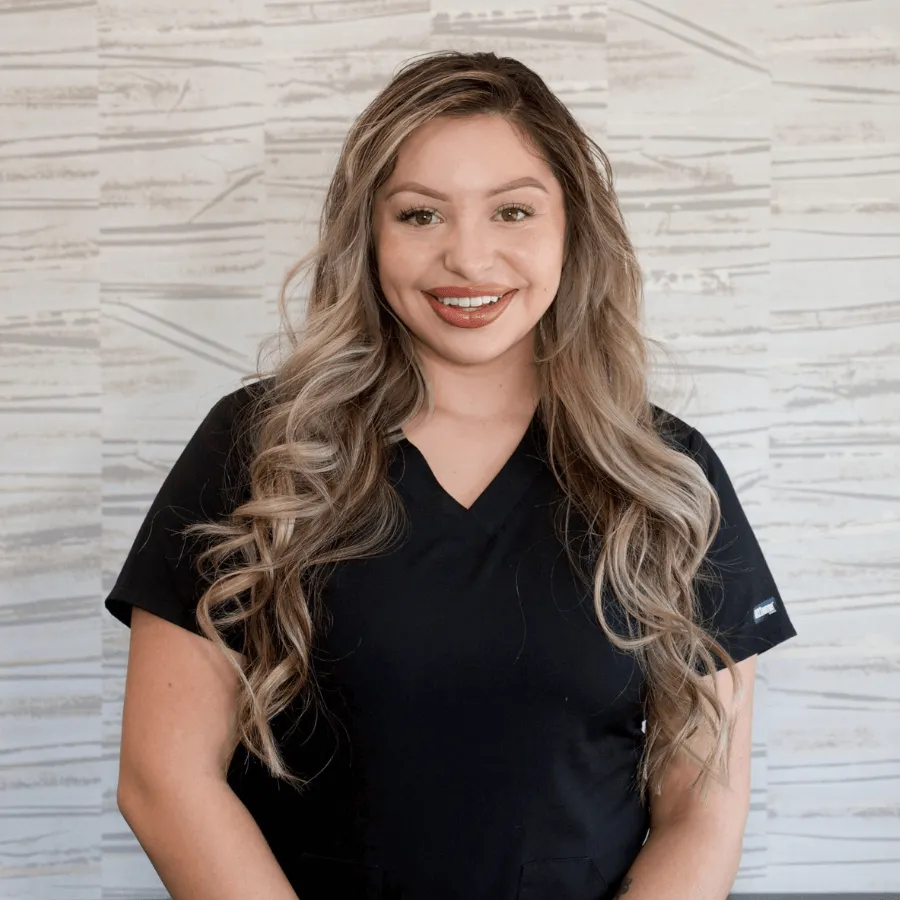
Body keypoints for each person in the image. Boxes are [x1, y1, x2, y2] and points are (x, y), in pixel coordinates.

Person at [105, 50, 798, 900]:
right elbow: (163, 778)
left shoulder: (668, 473)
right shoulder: (258, 449)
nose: (469, 259)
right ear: (368, 235)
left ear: (572, 228)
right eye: (420, 214)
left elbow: (704, 803)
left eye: (513, 210)